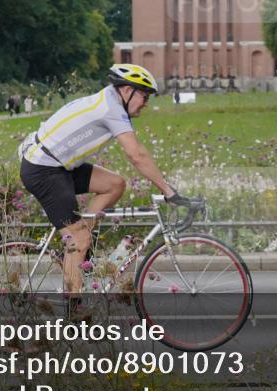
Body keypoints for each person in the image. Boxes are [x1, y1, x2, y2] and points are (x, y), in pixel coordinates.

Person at [17, 64, 191, 310]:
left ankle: (82, 242)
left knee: (115, 184)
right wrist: (169, 191)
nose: (146, 103)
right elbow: (136, 155)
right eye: (144, 95)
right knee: (77, 239)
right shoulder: (111, 108)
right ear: (128, 91)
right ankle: (74, 314)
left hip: (59, 165)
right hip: (44, 169)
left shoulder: (111, 101)